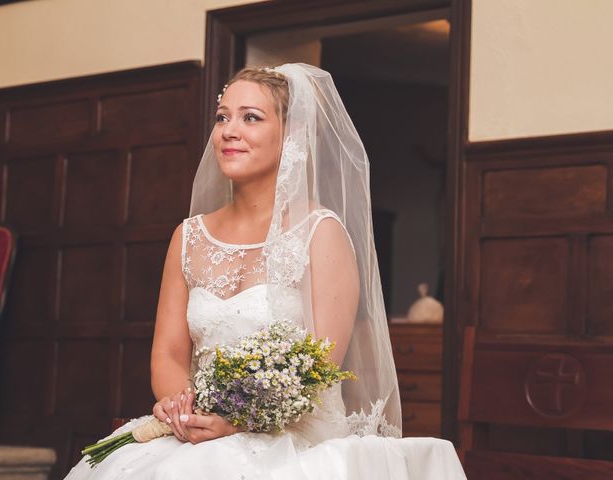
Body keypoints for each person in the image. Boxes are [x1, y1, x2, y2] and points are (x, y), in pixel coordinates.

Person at [65, 63, 465, 479]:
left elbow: (321, 365)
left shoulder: (319, 232)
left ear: (291, 136)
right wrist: (180, 405)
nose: (229, 131)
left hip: (295, 439)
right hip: (198, 431)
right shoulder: (188, 236)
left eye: (250, 117)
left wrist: (238, 420)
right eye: (222, 117)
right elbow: (168, 352)